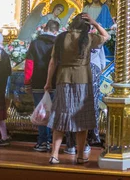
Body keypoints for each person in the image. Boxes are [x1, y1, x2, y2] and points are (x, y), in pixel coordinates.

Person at [44, 13, 109, 165]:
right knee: (82, 118)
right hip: (83, 80)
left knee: (60, 117)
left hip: (63, 78)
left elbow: (53, 62)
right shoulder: (88, 38)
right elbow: (106, 37)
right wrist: (95, 23)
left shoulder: (61, 38)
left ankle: (54, 155)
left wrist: (48, 82)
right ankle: (80, 155)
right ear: (86, 25)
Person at [25, 19, 60, 152]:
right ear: (56, 31)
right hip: (56, 83)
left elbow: (29, 64)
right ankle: (53, 141)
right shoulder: (58, 43)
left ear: (45, 28)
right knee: (54, 112)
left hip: (38, 82)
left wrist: (28, 82)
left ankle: (42, 141)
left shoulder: (35, 43)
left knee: (41, 112)